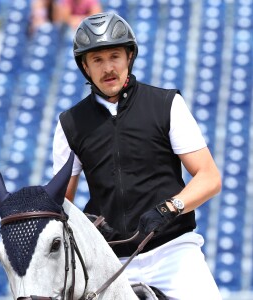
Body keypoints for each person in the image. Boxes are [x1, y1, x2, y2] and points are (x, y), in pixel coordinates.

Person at [52, 12, 222, 300]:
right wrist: (86, 223)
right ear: (85, 66)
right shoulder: (69, 124)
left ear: (129, 57)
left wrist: (168, 208)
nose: (108, 68)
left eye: (115, 56)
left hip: (174, 253)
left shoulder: (167, 105)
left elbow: (209, 177)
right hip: (109, 261)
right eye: (97, 60)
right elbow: (61, 202)